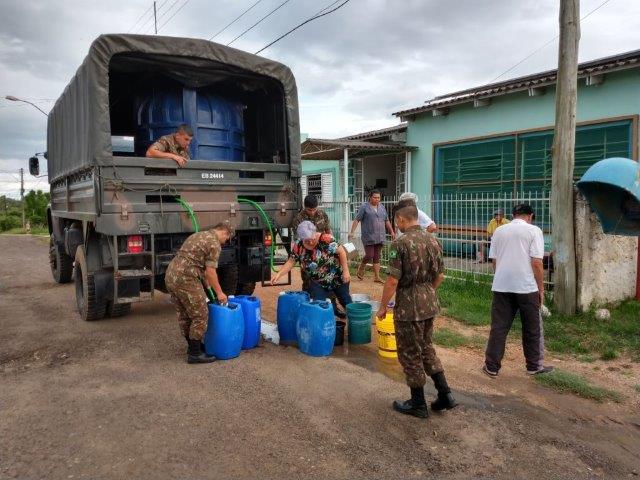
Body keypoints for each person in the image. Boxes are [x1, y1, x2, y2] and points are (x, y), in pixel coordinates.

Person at [376, 204, 456, 419]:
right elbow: (440, 275)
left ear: (401, 220)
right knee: (426, 347)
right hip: (429, 302)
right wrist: (426, 292)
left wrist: (383, 306)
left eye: (396, 221)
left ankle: (418, 403)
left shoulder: (400, 243)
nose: (396, 225)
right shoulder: (433, 239)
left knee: (410, 352)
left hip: (409, 307)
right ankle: (445, 394)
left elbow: (393, 280)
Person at [483, 204, 553, 377]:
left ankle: (491, 367)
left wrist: (501, 277)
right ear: (530, 216)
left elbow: (494, 261)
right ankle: (534, 366)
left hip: (501, 286)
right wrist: (541, 288)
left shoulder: (499, 231)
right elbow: (537, 262)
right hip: (526, 286)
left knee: (499, 327)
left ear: (513, 215)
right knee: (532, 327)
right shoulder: (534, 231)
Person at [165, 223, 233, 364]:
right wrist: (220, 293)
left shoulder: (198, 235)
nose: (226, 241)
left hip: (171, 276)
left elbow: (199, 267)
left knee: (184, 314)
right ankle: (195, 354)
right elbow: (211, 272)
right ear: (225, 233)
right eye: (227, 238)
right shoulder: (214, 244)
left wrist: (208, 288)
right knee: (200, 314)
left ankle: (193, 347)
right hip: (186, 279)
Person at [272, 221, 352, 309]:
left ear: (315, 232)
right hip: (318, 283)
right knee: (319, 307)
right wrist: (279, 274)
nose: (310, 242)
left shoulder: (325, 239)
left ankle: (357, 320)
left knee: (346, 301)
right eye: (306, 240)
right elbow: (291, 261)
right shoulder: (298, 245)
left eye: (312, 239)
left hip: (337, 277)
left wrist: (346, 271)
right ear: (301, 238)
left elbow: (341, 252)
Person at [349, 190, 396, 283]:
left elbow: (386, 220)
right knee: (369, 255)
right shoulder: (364, 207)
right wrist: (352, 232)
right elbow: (357, 219)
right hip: (368, 235)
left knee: (377, 256)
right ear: (370, 197)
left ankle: (377, 277)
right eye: (375, 197)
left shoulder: (382, 207)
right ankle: (361, 267)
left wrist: (392, 231)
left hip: (380, 236)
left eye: (378, 197)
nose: (377, 199)